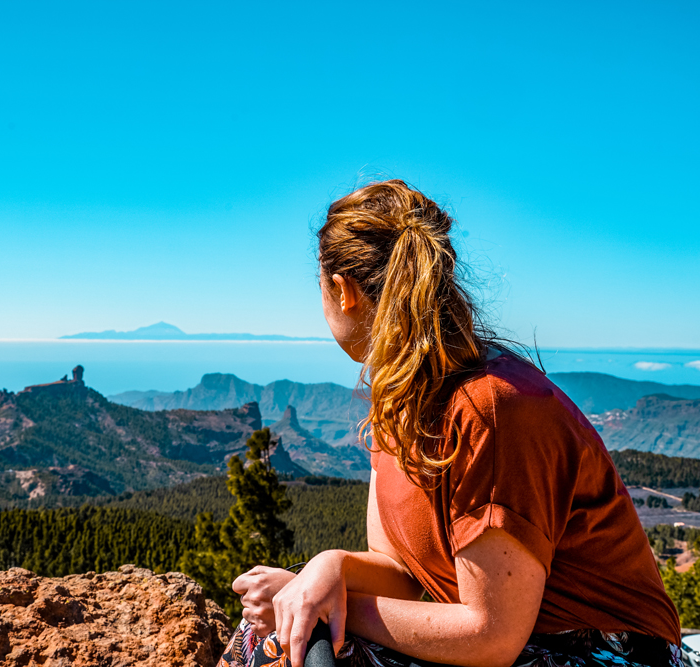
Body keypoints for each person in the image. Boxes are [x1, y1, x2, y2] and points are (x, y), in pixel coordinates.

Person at [218, 179, 682, 667]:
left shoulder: (491, 408)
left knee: (280, 649)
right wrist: (324, 571)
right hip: (521, 640)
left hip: (606, 650)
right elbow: (404, 572)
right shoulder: (399, 400)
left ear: (342, 290)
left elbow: (491, 635)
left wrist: (331, 606)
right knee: (268, 632)